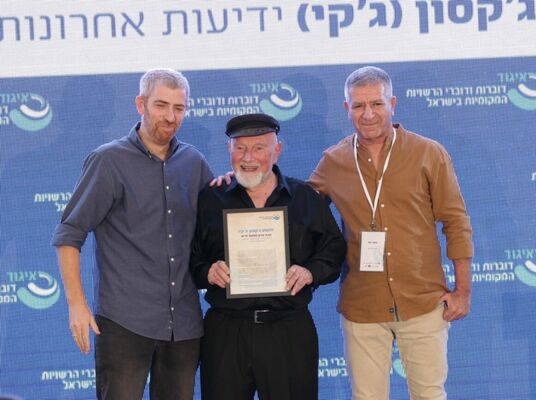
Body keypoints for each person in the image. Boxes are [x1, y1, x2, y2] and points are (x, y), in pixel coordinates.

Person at [308, 66, 474, 400]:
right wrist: (240, 186)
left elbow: (455, 222)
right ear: (347, 109)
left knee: (429, 395)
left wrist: (463, 291)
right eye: (358, 106)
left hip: (423, 301)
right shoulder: (333, 161)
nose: (368, 114)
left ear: (392, 104)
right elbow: (297, 208)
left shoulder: (428, 153)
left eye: (376, 104)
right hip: (362, 306)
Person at [51, 68, 213, 399]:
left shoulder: (193, 162)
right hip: (124, 322)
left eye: (179, 108)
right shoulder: (108, 160)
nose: (171, 117)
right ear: (141, 104)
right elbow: (69, 233)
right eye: (161, 105)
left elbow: (215, 230)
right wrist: (76, 304)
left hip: (183, 324)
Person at [190, 113, 346, 400]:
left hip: (288, 329)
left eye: (259, 148)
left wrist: (310, 272)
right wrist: (207, 272)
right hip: (226, 331)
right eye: (240, 148)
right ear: (229, 150)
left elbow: (334, 249)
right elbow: (191, 258)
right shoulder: (210, 198)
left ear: (277, 150)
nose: (248, 157)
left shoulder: (303, 197)